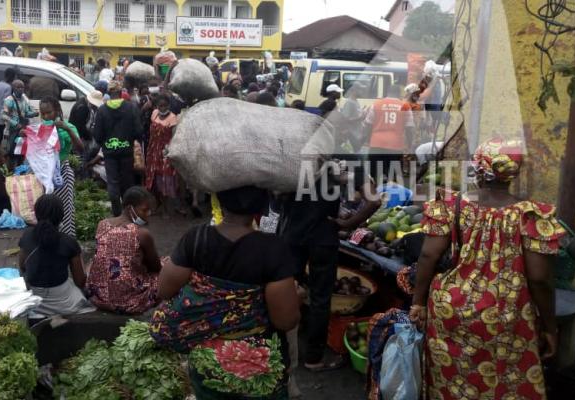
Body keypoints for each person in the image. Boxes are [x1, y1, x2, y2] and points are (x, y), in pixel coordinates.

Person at [410, 138, 563, 400]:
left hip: (451, 307)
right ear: (512, 173)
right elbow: (539, 278)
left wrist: (418, 303)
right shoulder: (529, 215)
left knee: (450, 378)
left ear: (478, 168)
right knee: (506, 381)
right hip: (507, 312)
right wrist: (550, 326)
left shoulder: (452, 205)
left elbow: (428, 255)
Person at [154, 185, 300, 398]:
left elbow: (164, 289)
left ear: (219, 202)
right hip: (257, 365)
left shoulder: (196, 238)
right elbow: (286, 321)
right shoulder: (273, 249)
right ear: (261, 206)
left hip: (207, 363)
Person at [278, 159, 380, 371]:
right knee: (320, 298)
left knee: (285, 291)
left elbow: (274, 194)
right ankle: (313, 358)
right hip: (323, 238)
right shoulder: (347, 161)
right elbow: (374, 200)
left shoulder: (292, 156)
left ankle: (280, 353)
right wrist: (348, 223)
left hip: (291, 236)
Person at [86, 186, 161, 314]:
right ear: (129, 208)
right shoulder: (142, 234)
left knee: (92, 262)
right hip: (127, 302)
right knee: (168, 268)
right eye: (145, 210)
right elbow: (155, 267)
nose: (148, 214)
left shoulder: (102, 224)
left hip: (98, 296)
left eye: (150, 210)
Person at [19, 194, 96, 318]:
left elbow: (22, 267)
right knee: (82, 296)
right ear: (61, 217)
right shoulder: (69, 242)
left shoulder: (27, 236)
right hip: (63, 302)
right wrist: (89, 268)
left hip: (34, 301)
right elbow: (80, 281)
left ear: (36, 214)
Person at [93, 80, 143, 216]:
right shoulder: (131, 108)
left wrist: (105, 143)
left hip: (109, 154)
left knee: (113, 182)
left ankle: (117, 214)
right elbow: (139, 131)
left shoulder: (102, 110)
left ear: (108, 93)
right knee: (127, 182)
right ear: (121, 93)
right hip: (126, 153)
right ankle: (129, 213)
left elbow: (97, 135)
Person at [40, 97, 84, 237]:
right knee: (45, 211)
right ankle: (46, 238)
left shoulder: (68, 127)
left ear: (57, 110)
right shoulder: (41, 128)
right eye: (43, 113)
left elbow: (80, 148)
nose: (46, 116)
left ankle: (64, 240)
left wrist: (67, 130)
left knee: (64, 209)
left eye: (49, 112)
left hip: (62, 174)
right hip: (44, 175)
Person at [363, 86, 416, 180]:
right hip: (395, 146)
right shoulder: (405, 106)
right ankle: (391, 191)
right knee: (392, 175)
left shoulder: (376, 104)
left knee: (373, 175)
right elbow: (409, 128)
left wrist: (366, 139)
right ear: (399, 94)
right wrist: (410, 143)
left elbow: (368, 124)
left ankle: (375, 192)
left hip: (376, 144)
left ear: (387, 93)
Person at [145, 95, 179, 215]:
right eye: (160, 105)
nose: (162, 108)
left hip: (164, 153)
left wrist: (169, 152)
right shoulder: (154, 113)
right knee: (152, 180)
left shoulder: (173, 118)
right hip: (152, 150)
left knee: (164, 180)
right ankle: (157, 203)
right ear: (157, 106)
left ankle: (166, 208)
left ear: (169, 105)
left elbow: (174, 137)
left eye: (165, 105)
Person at [3, 79, 39, 163]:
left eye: (22, 87)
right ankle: (10, 169)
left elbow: (26, 113)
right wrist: (15, 123)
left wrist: (34, 113)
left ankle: (19, 168)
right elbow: (4, 115)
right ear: (13, 88)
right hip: (13, 129)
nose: (21, 89)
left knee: (22, 150)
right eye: (18, 87)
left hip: (23, 129)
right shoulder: (9, 100)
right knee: (12, 151)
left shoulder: (25, 99)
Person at [0, 68, 16, 146]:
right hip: (4, 116)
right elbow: (7, 103)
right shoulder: (8, 87)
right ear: (11, 77)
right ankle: (0, 154)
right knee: (6, 137)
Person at [340, 84, 366, 151]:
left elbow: (354, 115)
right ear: (354, 91)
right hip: (351, 135)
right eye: (360, 89)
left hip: (357, 134)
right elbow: (344, 119)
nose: (362, 91)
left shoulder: (356, 101)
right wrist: (359, 118)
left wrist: (362, 112)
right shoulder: (349, 103)